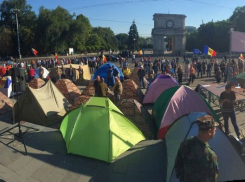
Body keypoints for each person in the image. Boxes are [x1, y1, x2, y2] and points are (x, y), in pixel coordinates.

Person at [174, 115, 219, 182]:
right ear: (209, 131)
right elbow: (212, 179)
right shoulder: (210, 156)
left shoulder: (185, 144)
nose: (215, 129)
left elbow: (178, 171)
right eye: (214, 128)